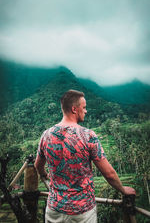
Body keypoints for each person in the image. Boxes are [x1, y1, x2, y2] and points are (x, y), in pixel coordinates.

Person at [34, 89, 136, 223]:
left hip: (55, 209)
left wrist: (45, 176)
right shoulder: (88, 136)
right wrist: (123, 190)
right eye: (84, 107)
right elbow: (109, 174)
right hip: (82, 212)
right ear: (74, 109)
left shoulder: (46, 135)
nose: (86, 111)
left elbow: (37, 165)